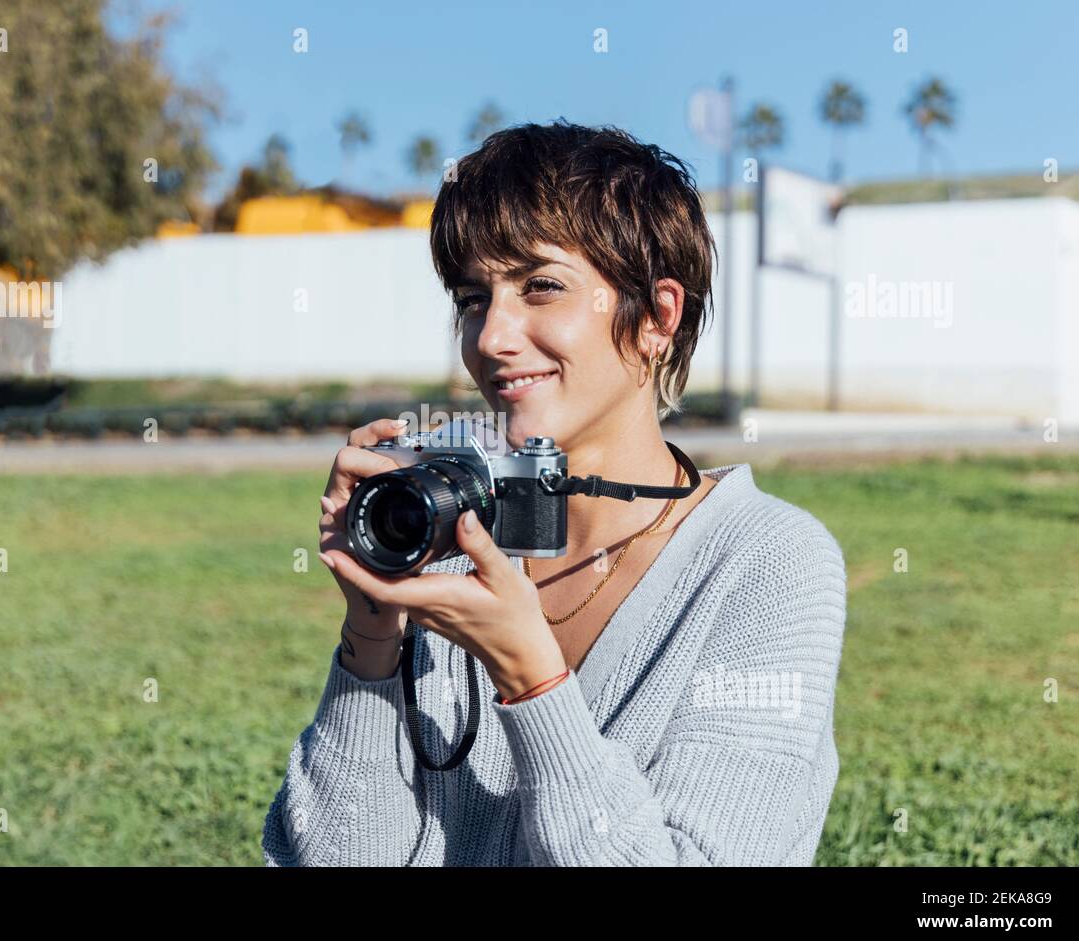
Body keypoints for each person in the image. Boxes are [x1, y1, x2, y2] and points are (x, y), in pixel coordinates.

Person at [262, 120, 846, 866]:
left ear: (658, 316)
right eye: (474, 297)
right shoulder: (450, 533)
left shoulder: (770, 564)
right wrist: (371, 632)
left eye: (540, 286)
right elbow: (339, 857)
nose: (492, 337)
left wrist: (533, 680)